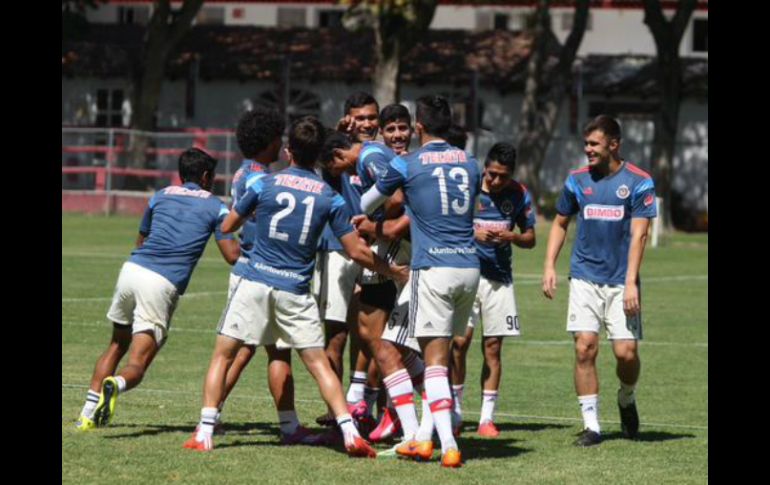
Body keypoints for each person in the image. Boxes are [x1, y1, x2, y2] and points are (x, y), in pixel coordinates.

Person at [184, 117, 407, 457]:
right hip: (295, 288)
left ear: (289, 151)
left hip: (255, 281)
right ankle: (349, 432)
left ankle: (204, 431)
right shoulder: (330, 197)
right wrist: (391, 270)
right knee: (317, 363)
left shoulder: (263, 184)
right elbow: (356, 251)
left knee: (223, 354)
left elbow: (228, 225)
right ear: (319, 156)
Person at [75, 148, 240, 431]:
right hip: (160, 283)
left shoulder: (160, 195)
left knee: (116, 344)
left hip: (131, 271)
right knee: (138, 363)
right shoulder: (216, 206)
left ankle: (86, 414)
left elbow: (141, 239)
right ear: (205, 177)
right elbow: (231, 255)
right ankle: (117, 384)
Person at [361, 95, 482, 467]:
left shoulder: (407, 163)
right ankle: (423, 437)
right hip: (469, 266)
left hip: (432, 267)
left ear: (419, 127)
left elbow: (367, 204)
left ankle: (447, 445)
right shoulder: (472, 162)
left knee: (434, 362)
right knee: (438, 357)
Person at [542, 114, 656, 447]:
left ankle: (626, 397)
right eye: (586, 144)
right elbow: (560, 222)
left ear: (614, 144)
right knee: (584, 348)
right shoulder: (577, 180)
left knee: (626, 353)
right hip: (584, 277)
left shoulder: (639, 181)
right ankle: (591, 425)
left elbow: (640, 235)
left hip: (622, 281)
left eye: (594, 144)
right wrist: (549, 266)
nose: (588, 149)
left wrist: (631, 282)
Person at [449, 142, 536, 438]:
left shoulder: (519, 193)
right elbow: (448, 226)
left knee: (493, 347)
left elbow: (530, 238)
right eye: (492, 174)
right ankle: (455, 413)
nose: (497, 181)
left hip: (499, 280)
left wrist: (512, 236)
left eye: (504, 176)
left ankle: (486, 418)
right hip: (466, 274)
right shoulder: (468, 188)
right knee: (459, 343)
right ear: (485, 167)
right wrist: (475, 234)